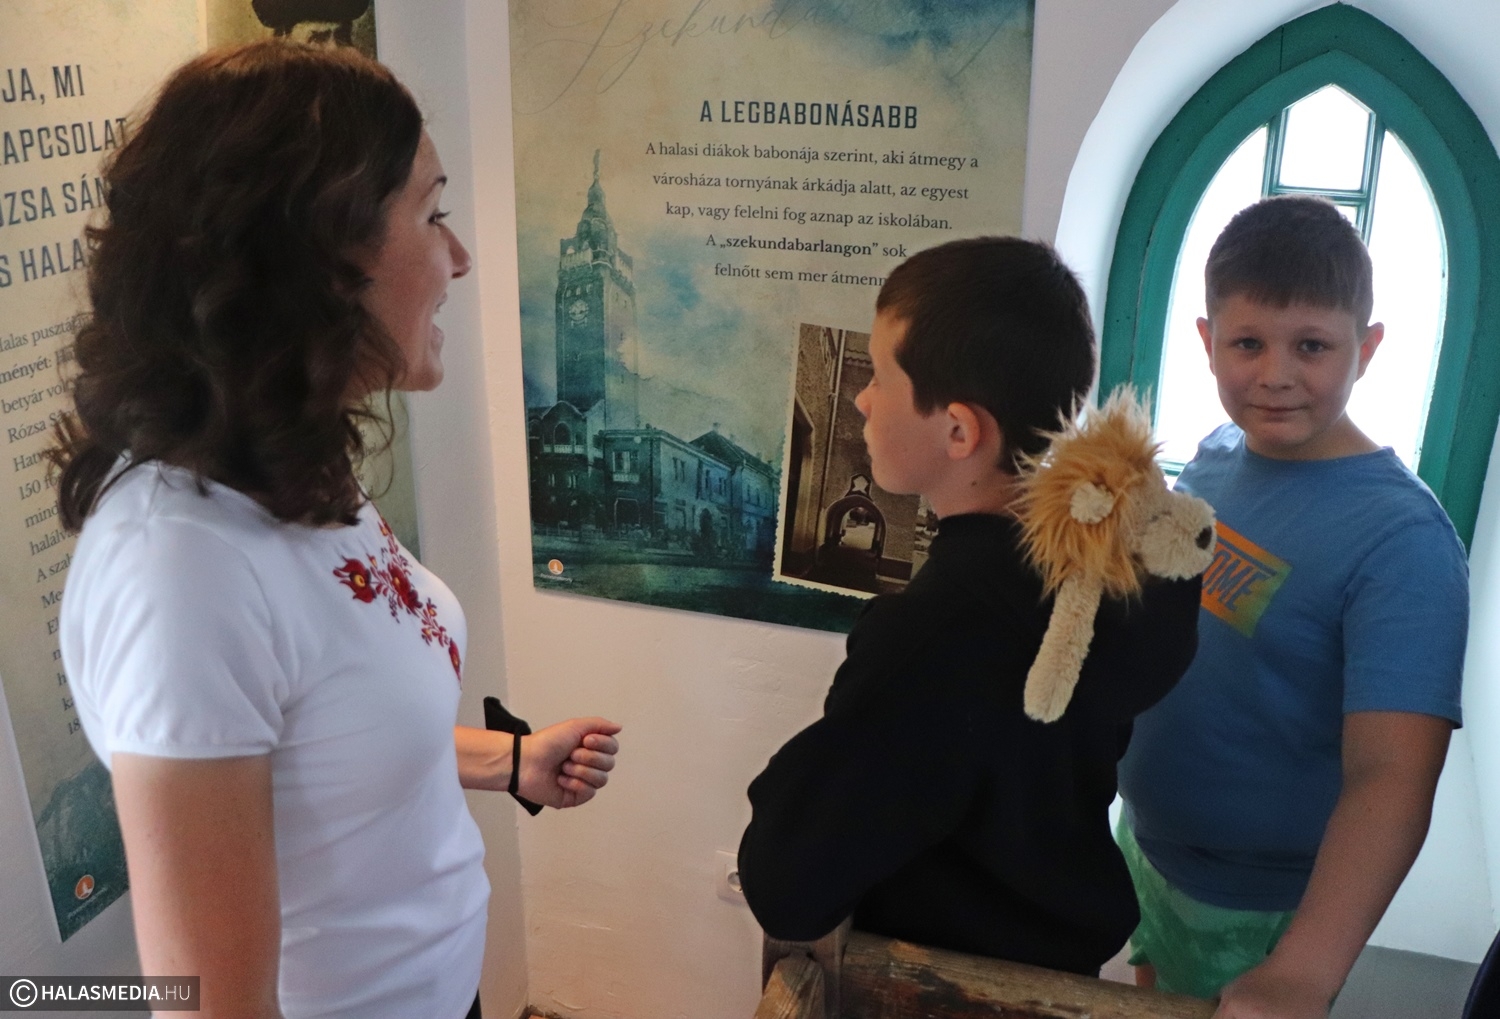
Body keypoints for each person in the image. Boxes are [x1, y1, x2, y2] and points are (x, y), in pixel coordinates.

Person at [54, 42, 620, 1019]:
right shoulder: (181, 572)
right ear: (319, 256)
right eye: (432, 213)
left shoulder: (287, 463)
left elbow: (325, 735)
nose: (460, 256)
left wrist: (509, 760)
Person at [736, 237, 1204, 975]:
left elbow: (787, 883)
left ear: (959, 429)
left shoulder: (941, 629)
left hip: (937, 988)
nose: (863, 399)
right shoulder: (1091, 581)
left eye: (881, 377)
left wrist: (780, 790)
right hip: (1055, 977)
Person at [1117, 195, 1468, 1017]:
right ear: (1207, 341)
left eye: (1311, 345)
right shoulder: (1214, 455)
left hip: (1261, 910)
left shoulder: (1403, 540)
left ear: (1366, 348)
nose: (1275, 374)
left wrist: (1303, 970)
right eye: (1248, 343)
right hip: (1151, 853)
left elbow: (1392, 774)